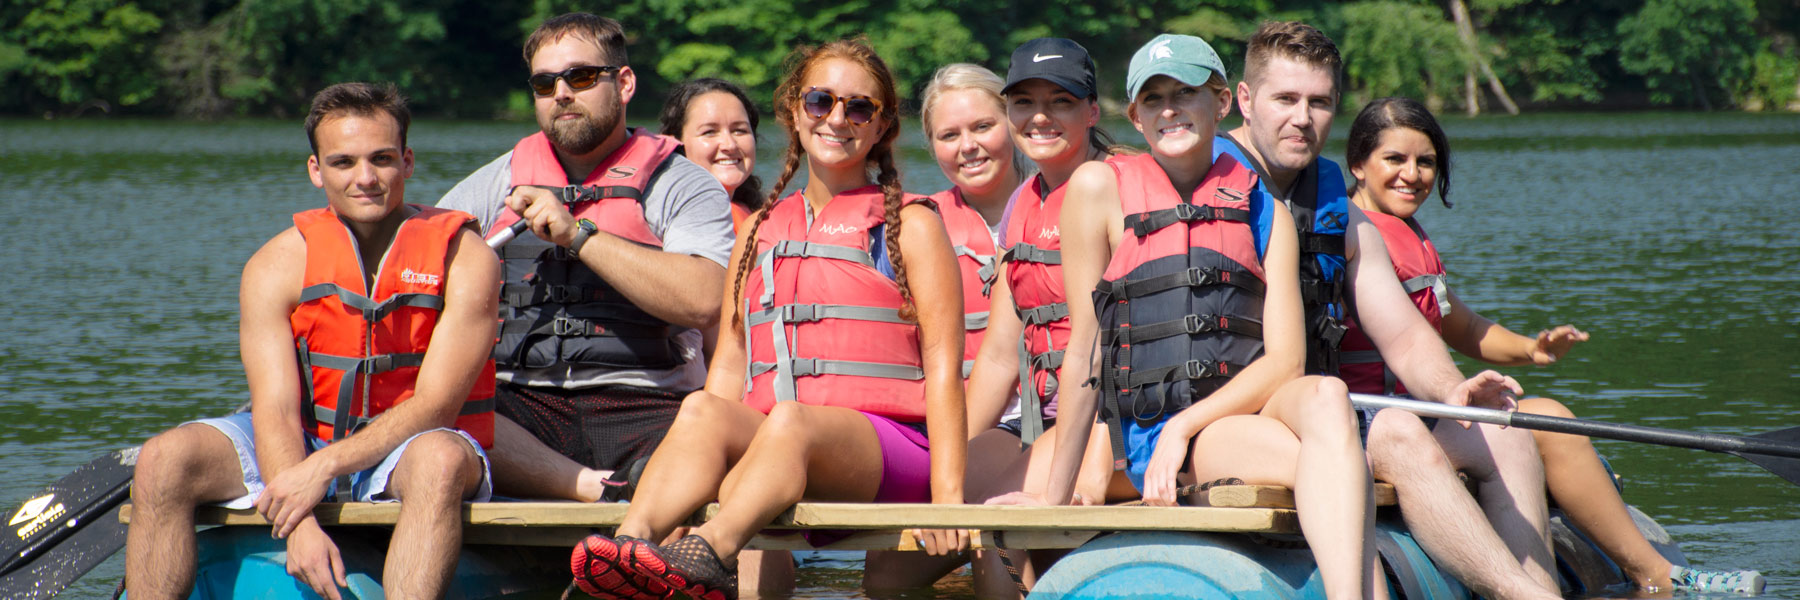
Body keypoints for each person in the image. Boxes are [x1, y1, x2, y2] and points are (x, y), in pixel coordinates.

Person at [567, 38, 969, 600]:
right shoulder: (757, 230)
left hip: (891, 452)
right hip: (782, 450)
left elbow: (945, 369)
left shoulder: (910, 226)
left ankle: (708, 553)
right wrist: (698, 472)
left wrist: (950, 498)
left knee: (791, 420)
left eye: (859, 108)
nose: (837, 118)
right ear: (793, 114)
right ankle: (625, 554)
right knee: (703, 406)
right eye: (820, 101)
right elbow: (730, 366)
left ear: (881, 128)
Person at [1340, 96, 1765, 596]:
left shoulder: (1410, 235)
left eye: (1426, 161)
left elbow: (1463, 326)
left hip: (1428, 409)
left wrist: (1531, 349)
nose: (1412, 174)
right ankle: (1649, 574)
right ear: (1358, 165)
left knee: (1553, 418)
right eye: (1395, 159)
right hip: (1379, 420)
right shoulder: (1350, 235)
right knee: (1544, 424)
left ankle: (1656, 574)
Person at [1210, 21, 1557, 600]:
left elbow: (1405, 335)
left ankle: (1541, 587)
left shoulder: (1336, 207)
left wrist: (1455, 392)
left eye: (1319, 102)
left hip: (1321, 412)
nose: (1303, 118)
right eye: (1286, 99)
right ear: (1244, 101)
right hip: (1242, 416)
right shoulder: (1204, 184)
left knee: (1504, 435)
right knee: (1395, 428)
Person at [125, 82, 499, 600]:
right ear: (315, 170)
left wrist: (320, 469)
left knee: (440, 461)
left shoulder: (467, 258)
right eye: (343, 162)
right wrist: (297, 524)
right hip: (305, 436)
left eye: (382, 159)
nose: (365, 178)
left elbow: (436, 406)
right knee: (164, 458)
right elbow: (275, 409)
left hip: (411, 446)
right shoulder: (274, 265)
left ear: (408, 163)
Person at [1053, 34, 1382, 600]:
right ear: (1134, 115)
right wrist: (1053, 504)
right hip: (1157, 427)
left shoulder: (1266, 211)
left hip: (1235, 409)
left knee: (1328, 394)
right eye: (1153, 98)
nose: (1170, 108)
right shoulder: (1096, 188)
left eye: (1187, 92)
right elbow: (1086, 351)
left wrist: (1188, 426)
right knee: (1331, 465)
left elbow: (1286, 362)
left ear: (1223, 101)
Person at [437, 13, 734, 504]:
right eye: (544, 82)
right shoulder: (493, 184)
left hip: (648, 406)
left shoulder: (683, 184)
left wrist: (579, 234)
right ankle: (597, 491)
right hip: (519, 408)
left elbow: (704, 300)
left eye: (580, 77)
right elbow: (419, 272)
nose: (562, 93)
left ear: (624, 82)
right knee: (430, 410)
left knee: (713, 443)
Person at [861, 62, 1027, 595]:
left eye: (982, 127)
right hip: (965, 430)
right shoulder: (915, 228)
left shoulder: (1070, 203)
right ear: (930, 146)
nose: (968, 147)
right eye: (948, 135)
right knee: (884, 579)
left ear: (1013, 122)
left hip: (1053, 418)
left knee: (992, 561)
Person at [658, 77, 765, 231]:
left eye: (740, 130)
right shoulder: (670, 220)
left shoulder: (761, 215)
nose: (729, 144)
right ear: (676, 143)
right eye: (709, 132)